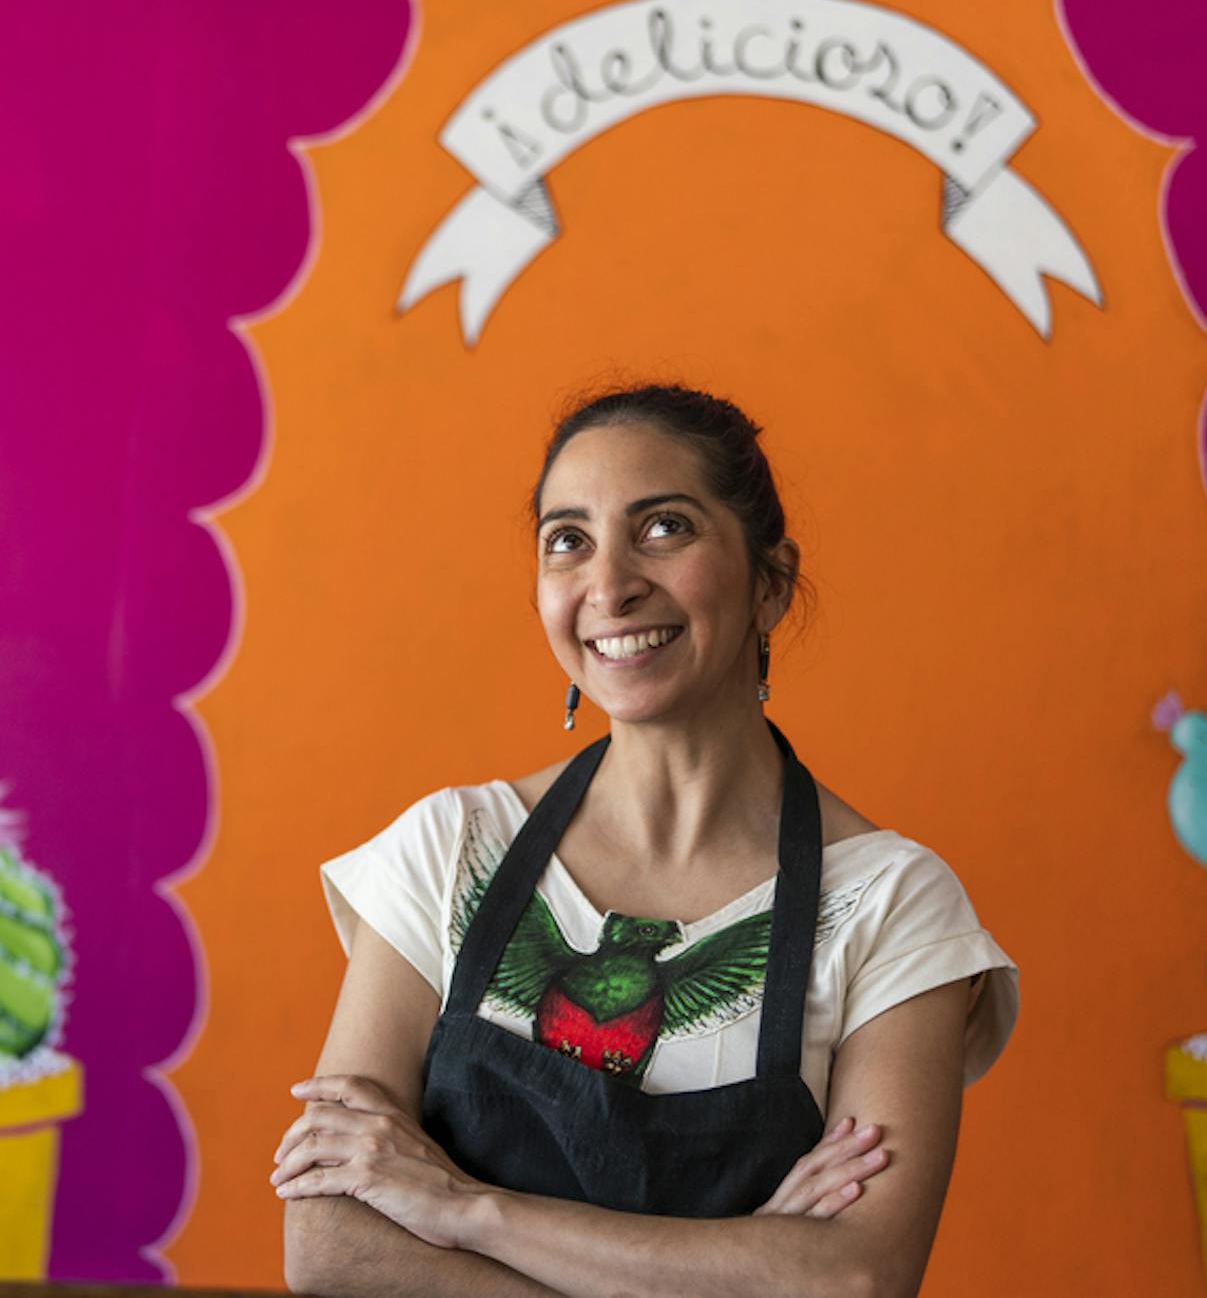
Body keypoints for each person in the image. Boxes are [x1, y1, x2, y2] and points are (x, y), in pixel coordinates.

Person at [273, 385, 1018, 1298]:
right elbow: (329, 1245)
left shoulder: (892, 902)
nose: (610, 583)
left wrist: (465, 1209)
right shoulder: (449, 847)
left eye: (664, 527)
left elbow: (854, 1276)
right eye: (568, 539)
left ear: (770, 584)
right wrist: (737, 1269)